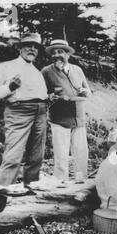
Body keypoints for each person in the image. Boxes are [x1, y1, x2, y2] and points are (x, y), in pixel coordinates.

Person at [0, 33, 48, 195]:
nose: (32, 49)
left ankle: (32, 182)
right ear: (20, 48)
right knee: (15, 148)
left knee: (37, 151)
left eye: (36, 47)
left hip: (40, 110)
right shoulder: (6, 66)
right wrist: (10, 87)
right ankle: (4, 185)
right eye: (28, 45)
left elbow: (40, 93)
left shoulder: (36, 71)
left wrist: (48, 98)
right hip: (18, 110)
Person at [41, 39, 91, 184]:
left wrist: (84, 91)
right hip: (59, 118)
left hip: (78, 116)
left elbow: (88, 91)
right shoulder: (46, 71)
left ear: (68, 54)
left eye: (60, 52)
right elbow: (40, 94)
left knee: (81, 151)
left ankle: (81, 181)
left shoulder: (77, 70)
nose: (57, 55)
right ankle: (60, 183)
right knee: (61, 153)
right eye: (54, 52)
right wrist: (50, 96)